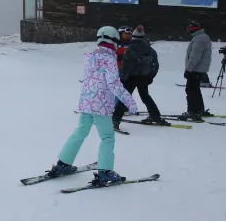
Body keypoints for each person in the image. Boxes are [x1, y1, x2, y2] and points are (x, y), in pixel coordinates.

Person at [47, 26, 138, 186]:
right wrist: (129, 102)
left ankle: (63, 164)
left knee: (80, 131)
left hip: (87, 102)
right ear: (114, 41)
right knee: (107, 137)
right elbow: (114, 84)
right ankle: (105, 172)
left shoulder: (90, 57)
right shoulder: (109, 59)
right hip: (100, 105)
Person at [113, 25, 166, 126]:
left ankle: (115, 119)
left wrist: (123, 77)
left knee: (125, 97)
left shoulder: (130, 49)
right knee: (145, 97)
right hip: (144, 78)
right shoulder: (150, 50)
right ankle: (156, 117)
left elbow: (125, 65)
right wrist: (150, 77)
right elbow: (155, 66)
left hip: (131, 78)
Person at [182, 20, 212, 120]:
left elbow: (195, 57)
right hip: (198, 69)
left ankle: (192, 111)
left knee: (190, 90)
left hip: (195, 69)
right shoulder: (202, 37)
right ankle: (199, 109)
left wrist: (188, 69)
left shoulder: (199, 39)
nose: (188, 31)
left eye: (189, 28)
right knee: (195, 90)